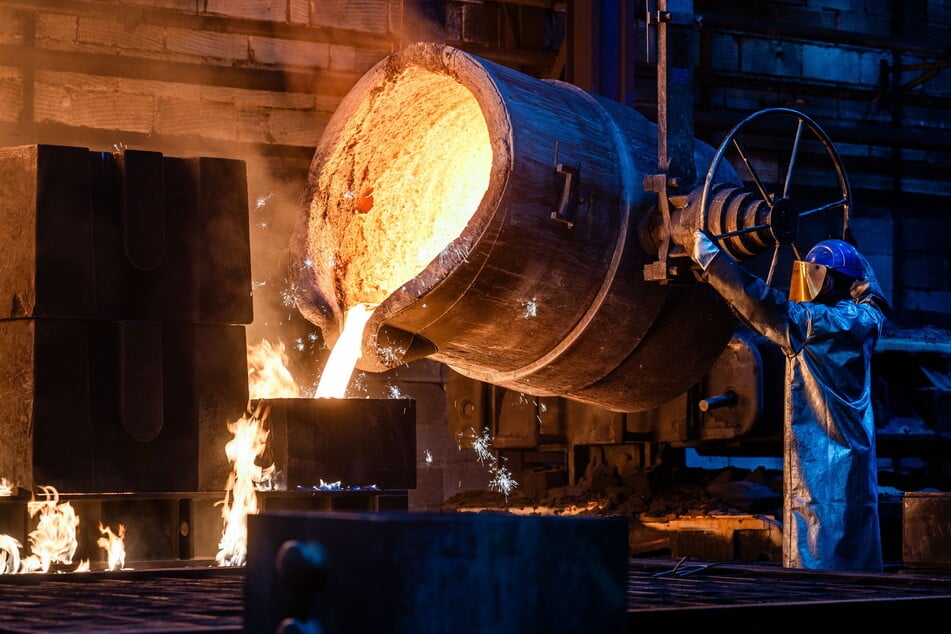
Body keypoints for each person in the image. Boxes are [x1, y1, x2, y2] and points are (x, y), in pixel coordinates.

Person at [682, 229, 889, 571]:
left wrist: (707, 254)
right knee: (855, 544)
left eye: (814, 275)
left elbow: (758, 301)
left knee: (818, 549)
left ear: (828, 282)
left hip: (819, 465)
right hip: (856, 462)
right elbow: (874, 297)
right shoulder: (866, 321)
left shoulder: (811, 324)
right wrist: (854, 256)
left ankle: (817, 588)